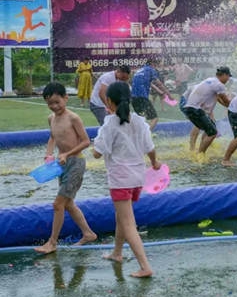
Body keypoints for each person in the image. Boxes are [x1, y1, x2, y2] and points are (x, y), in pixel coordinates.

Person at [92, 81, 160, 278]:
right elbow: (150, 148)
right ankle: (117, 253)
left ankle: (145, 266)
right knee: (121, 217)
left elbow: (98, 153)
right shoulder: (139, 121)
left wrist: (93, 146)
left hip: (120, 179)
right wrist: (155, 163)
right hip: (137, 177)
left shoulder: (110, 123)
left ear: (109, 102)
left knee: (129, 223)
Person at [35, 82, 97, 254]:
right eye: (50, 104)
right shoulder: (51, 118)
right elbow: (52, 137)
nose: (54, 107)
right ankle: (88, 233)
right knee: (68, 204)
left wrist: (67, 154)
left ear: (66, 98)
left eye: (57, 102)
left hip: (75, 163)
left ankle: (52, 242)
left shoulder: (73, 118)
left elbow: (86, 141)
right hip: (61, 165)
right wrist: (49, 154)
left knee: (58, 204)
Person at [182, 66, 232, 155]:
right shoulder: (219, 85)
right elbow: (225, 100)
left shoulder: (211, 80)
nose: (228, 79)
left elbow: (220, 99)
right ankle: (200, 155)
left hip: (190, 108)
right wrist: (235, 106)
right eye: (228, 76)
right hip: (196, 109)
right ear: (224, 75)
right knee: (213, 132)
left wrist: (228, 106)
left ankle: (198, 149)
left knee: (211, 126)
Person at [131, 57, 174, 131]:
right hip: (142, 97)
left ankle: (136, 135)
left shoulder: (140, 71)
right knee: (154, 118)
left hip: (133, 98)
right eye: (156, 64)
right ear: (152, 64)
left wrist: (160, 92)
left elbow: (149, 83)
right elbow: (159, 84)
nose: (156, 66)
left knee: (140, 118)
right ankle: (145, 136)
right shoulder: (151, 70)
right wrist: (169, 95)